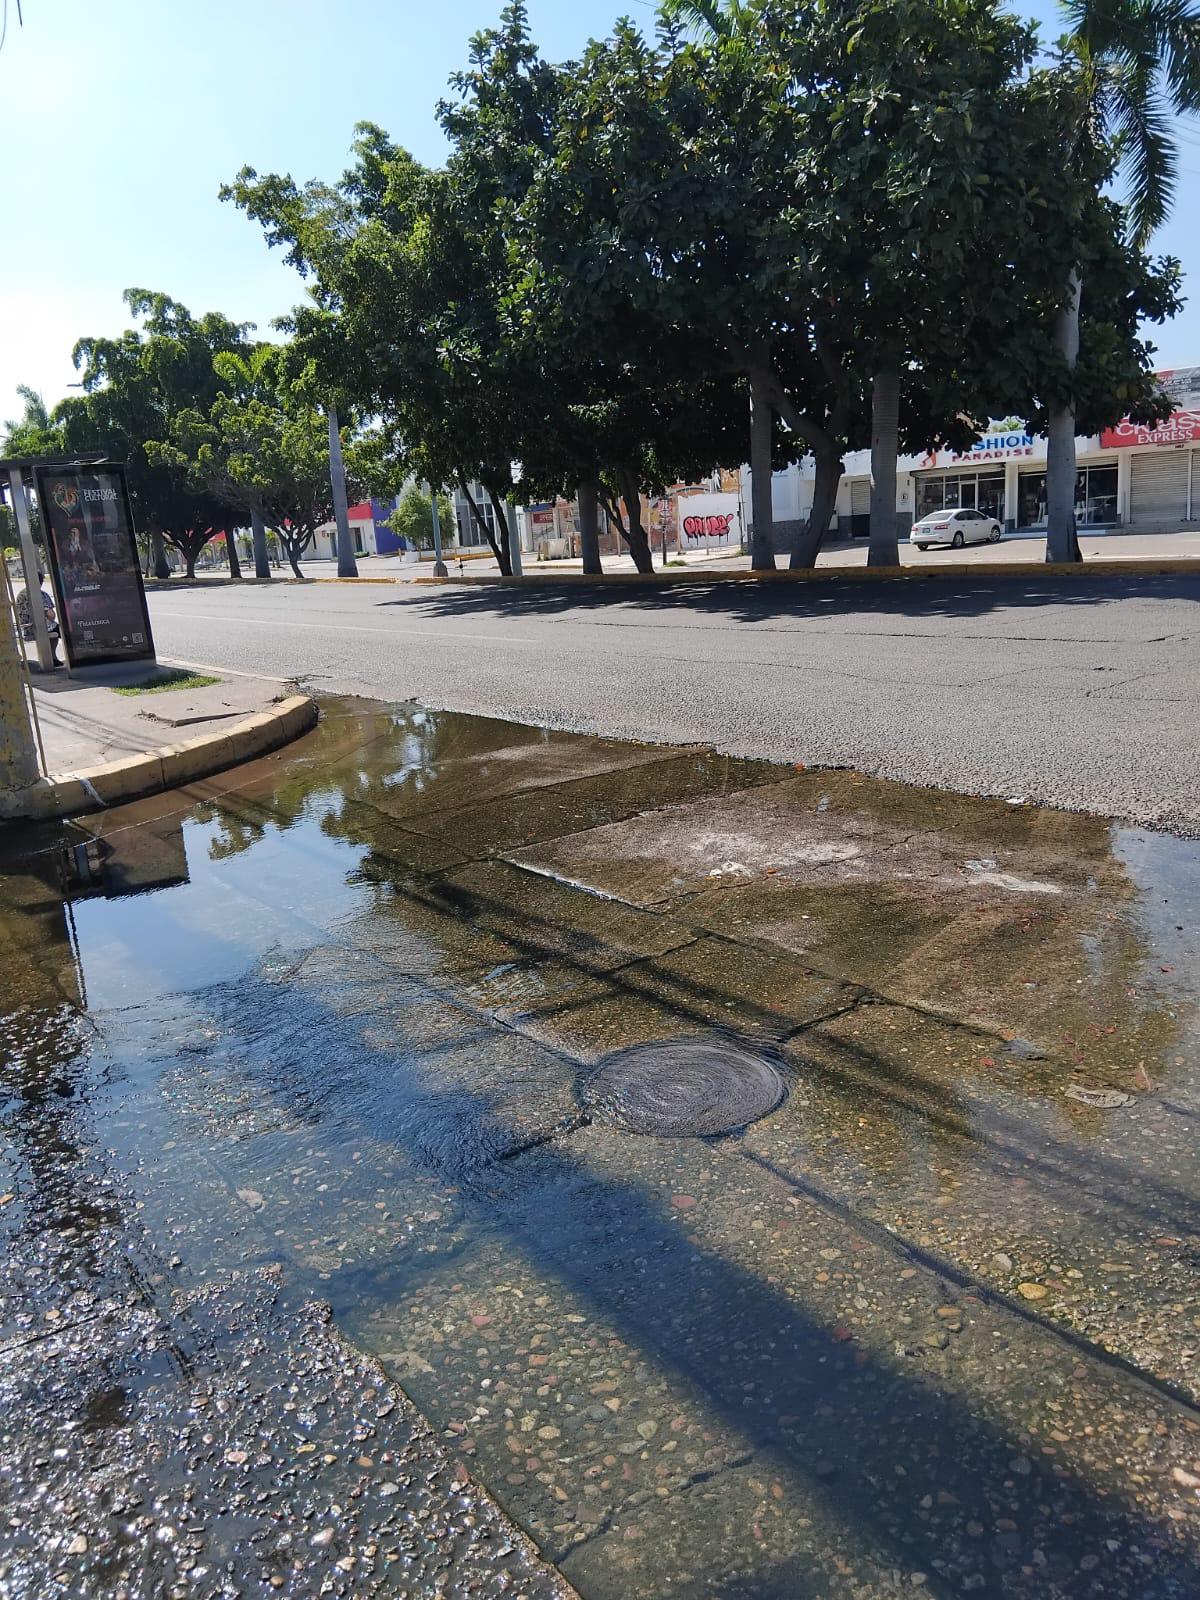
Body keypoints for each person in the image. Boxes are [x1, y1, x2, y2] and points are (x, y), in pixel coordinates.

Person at [16, 571, 61, 666]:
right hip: (39, 627)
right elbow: (51, 615)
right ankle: (53, 657)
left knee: (54, 627)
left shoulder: (21, 594)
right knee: (59, 629)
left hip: (26, 628)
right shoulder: (41, 594)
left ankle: (51, 657)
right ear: (40, 581)